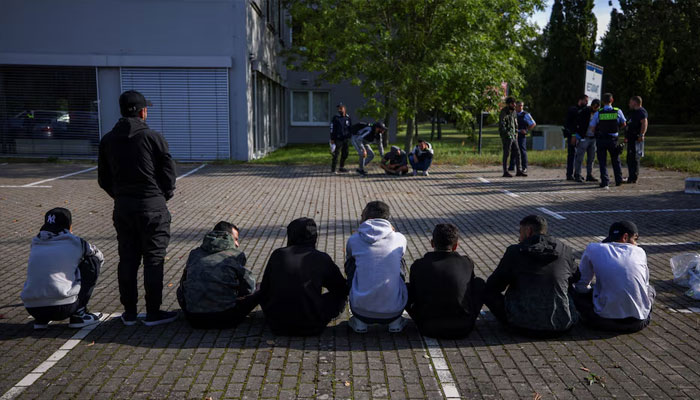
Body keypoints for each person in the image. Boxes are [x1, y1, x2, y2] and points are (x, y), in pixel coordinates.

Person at [98, 90, 178, 326]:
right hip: (152, 206)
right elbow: (168, 173)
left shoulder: (108, 140)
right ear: (143, 111)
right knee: (154, 259)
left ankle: (130, 313)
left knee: (128, 259)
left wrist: (121, 195)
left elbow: (104, 179)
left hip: (123, 207)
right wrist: (162, 195)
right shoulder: (153, 137)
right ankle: (153, 312)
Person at [484, 215, 579, 337]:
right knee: (568, 284)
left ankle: (517, 315)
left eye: (520, 233)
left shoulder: (515, 251)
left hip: (521, 325)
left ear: (528, 231)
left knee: (485, 288)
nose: (519, 238)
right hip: (561, 325)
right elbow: (577, 277)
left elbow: (494, 286)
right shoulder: (565, 250)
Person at [257, 218, 348, 336]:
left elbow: (265, 288)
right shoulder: (320, 258)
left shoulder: (278, 254)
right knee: (340, 296)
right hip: (311, 325)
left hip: (277, 324)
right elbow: (340, 288)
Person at [21, 208, 104, 330]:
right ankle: (79, 314)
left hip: (32, 308)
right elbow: (99, 257)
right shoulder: (75, 242)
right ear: (69, 226)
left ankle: (41, 320)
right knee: (92, 261)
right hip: (63, 308)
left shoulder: (35, 241)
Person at [571, 221, 655, 333]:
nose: (636, 243)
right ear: (625, 237)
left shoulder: (593, 248)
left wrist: (591, 293)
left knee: (574, 291)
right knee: (650, 289)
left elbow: (581, 285)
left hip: (602, 321)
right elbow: (644, 285)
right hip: (638, 322)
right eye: (635, 239)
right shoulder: (640, 252)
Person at [406, 223, 486, 339]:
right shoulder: (466, 263)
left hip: (427, 327)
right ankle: (467, 315)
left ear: (432, 243)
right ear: (455, 246)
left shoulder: (419, 265)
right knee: (479, 283)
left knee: (405, 288)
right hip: (463, 327)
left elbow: (413, 295)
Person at [177, 221, 257, 329]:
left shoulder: (194, 253)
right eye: (236, 239)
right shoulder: (236, 255)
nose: (237, 244)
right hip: (225, 318)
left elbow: (183, 284)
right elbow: (249, 287)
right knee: (261, 288)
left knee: (180, 290)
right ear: (227, 237)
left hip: (194, 319)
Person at [346, 201, 408, 333]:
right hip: (394, 311)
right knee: (399, 260)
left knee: (352, 262)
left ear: (366, 218)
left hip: (360, 310)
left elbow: (349, 260)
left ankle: (360, 322)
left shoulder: (354, 239)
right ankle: (395, 322)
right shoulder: (399, 238)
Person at [589, 93, 627, 189]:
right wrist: (617, 127)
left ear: (602, 102)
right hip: (613, 140)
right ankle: (618, 180)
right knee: (615, 160)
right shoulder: (617, 111)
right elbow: (624, 124)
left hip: (601, 139)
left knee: (602, 161)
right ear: (612, 100)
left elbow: (592, 128)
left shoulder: (599, 113)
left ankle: (605, 182)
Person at [573, 99, 601, 182]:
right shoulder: (585, 111)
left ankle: (589, 175)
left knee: (591, 158)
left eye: (597, 107)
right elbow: (577, 123)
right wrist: (576, 135)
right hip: (584, 137)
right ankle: (577, 174)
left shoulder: (598, 113)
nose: (595, 108)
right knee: (579, 157)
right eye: (594, 106)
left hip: (593, 138)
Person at [499, 97, 525, 177]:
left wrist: (516, 132)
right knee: (506, 153)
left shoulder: (514, 112)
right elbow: (502, 124)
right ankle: (505, 171)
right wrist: (507, 133)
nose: (514, 105)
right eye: (512, 103)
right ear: (509, 104)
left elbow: (515, 123)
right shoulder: (504, 112)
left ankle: (518, 170)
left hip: (514, 135)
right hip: (507, 136)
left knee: (517, 153)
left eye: (514, 103)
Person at [564, 95, 589, 180]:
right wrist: (573, 134)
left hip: (581, 136)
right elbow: (568, 124)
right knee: (571, 154)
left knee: (580, 156)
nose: (586, 102)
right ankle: (569, 174)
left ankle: (577, 173)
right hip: (573, 135)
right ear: (580, 100)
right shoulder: (573, 110)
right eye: (585, 101)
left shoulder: (585, 110)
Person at [625, 96, 648, 184]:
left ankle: (633, 177)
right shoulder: (633, 112)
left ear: (635, 103)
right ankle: (631, 175)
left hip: (636, 138)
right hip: (630, 138)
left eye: (630, 102)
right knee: (630, 158)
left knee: (634, 158)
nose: (629, 104)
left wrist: (641, 134)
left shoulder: (641, 111)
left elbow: (644, 123)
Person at [508, 101, 536, 174]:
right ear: (515, 106)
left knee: (522, 151)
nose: (520, 107)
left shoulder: (526, 115)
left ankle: (524, 167)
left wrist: (526, 130)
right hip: (514, 134)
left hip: (521, 134)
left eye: (521, 106)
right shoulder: (513, 113)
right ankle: (511, 166)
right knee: (513, 150)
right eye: (519, 106)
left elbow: (533, 124)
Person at [330, 102, 352, 174]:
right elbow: (332, 128)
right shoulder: (335, 118)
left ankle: (341, 167)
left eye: (341, 108)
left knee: (345, 153)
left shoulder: (348, 117)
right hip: (337, 138)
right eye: (339, 109)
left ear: (344, 109)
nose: (340, 110)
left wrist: (350, 135)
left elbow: (350, 128)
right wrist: (332, 138)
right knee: (336, 154)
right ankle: (333, 169)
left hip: (345, 138)